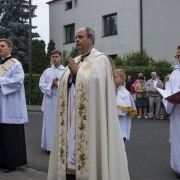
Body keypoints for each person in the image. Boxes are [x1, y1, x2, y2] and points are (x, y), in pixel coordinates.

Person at [48, 27, 130, 180]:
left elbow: (98, 87)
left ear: (91, 39)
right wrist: (71, 77)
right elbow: (64, 84)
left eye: (80, 36)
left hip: (91, 119)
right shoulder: (75, 61)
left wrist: (78, 74)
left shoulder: (102, 60)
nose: (76, 40)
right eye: (75, 37)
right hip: (72, 116)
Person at [0, 38, 28, 173]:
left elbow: (18, 81)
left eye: (2, 46)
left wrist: (1, 81)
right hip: (1, 106)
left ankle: (12, 163)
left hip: (11, 106)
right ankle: (2, 161)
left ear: (10, 48)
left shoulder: (16, 64)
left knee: (11, 135)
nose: (0, 48)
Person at [39, 50, 65, 154]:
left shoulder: (65, 70)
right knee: (50, 123)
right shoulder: (47, 71)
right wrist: (51, 86)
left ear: (61, 58)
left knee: (61, 122)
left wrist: (58, 85)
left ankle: (61, 146)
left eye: (56, 56)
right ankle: (50, 146)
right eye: (53, 57)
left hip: (61, 100)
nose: (54, 58)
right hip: (50, 100)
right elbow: (41, 84)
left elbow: (69, 84)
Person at [163, 45, 180, 179]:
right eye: (177, 56)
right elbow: (168, 92)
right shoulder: (174, 74)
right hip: (177, 113)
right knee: (178, 139)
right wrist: (170, 100)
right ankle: (179, 167)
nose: (178, 58)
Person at [115, 69, 137, 143]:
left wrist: (114, 95)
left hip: (120, 128)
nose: (112, 78)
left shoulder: (125, 93)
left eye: (115, 77)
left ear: (122, 79)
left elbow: (121, 112)